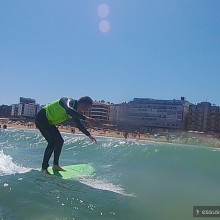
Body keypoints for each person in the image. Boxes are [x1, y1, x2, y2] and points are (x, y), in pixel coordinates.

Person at [35, 96, 97, 174]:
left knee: (60, 141)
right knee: (52, 142)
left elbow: (78, 124)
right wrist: (85, 118)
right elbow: (68, 109)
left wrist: (89, 135)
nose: (87, 110)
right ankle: (44, 168)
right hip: (42, 118)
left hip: (49, 122)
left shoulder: (74, 111)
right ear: (83, 104)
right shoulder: (66, 100)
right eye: (87, 108)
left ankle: (55, 165)